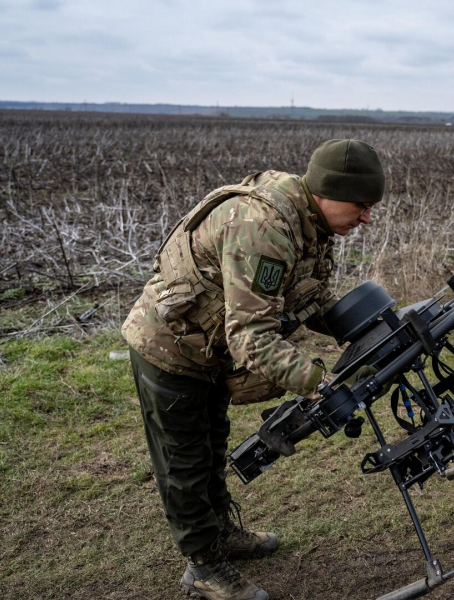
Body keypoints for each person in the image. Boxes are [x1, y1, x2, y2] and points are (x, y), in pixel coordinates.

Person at [121, 139, 386, 600]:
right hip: (170, 349)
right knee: (185, 461)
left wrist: (361, 325)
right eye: (361, 205)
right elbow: (250, 337)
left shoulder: (311, 222)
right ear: (327, 191)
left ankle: (222, 534)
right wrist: (316, 383)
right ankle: (203, 568)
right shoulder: (264, 228)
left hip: (211, 347)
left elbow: (307, 296)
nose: (366, 217)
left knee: (213, 442)